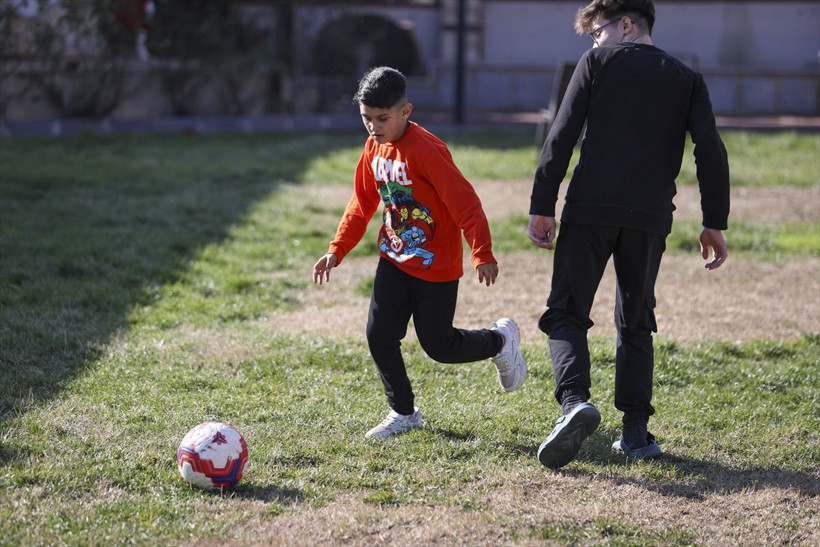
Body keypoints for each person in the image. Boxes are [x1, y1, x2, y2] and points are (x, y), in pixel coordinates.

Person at [528, 0, 729, 468]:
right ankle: (636, 432)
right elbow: (710, 150)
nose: (595, 41)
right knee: (636, 320)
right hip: (650, 217)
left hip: (590, 209)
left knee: (566, 311)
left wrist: (543, 205)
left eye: (597, 31)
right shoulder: (687, 78)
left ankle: (575, 401)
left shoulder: (597, 62)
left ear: (624, 24)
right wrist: (714, 221)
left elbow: (561, 134)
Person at [313, 66, 527, 439]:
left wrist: (482, 252)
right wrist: (337, 249)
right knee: (379, 335)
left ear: (405, 111)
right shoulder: (373, 148)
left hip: (435, 265)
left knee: (439, 346)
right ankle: (404, 412)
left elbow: (466, 204)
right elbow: (361, 203)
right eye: (366, 118)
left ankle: (500, 341)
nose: (374, 127)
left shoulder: (428, 151)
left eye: (382, 118)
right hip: (394, 258)